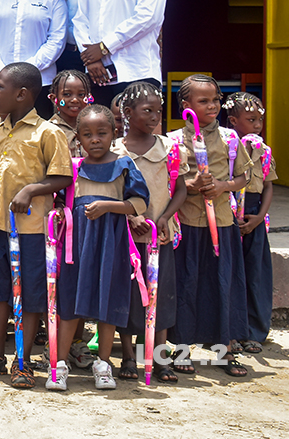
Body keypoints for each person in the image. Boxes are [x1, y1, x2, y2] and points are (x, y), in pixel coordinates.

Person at [0, 62, 71, 389]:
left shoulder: (47, 133)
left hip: (32, 229)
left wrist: (32, 189)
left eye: (0, 87)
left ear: (21, 94)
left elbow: (63, 175)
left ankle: (23, 361)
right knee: (0, 290)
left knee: (30, 294)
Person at [50, 105, 149, 391]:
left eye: (102, 133)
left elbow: (140, 203)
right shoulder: (73, 167)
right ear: (78, 138)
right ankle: (59, 365)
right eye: (87, 134)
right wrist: (59, 212)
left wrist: (109, 207)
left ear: (114, 133)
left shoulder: (124, 165)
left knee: (108, 300)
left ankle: (103, 364)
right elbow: (60, 200)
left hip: (112, 243)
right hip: (76, 245)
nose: (95, 139)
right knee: (70, 302)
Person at [168, 75, 251, 377]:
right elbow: (170, 182)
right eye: (203, 101)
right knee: (187, 285)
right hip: (188, 224)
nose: (212, 105)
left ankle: (224, 350)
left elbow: (244, 177)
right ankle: (180, 349)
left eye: (215, 99)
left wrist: (222, 185)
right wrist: (190, 185)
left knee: (222, 285)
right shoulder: (174, 141)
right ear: (186, 106)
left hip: (223, 224)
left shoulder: (230, 139)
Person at [111, 81, 186, 384]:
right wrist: (131, 219)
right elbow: (112, 193)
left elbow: (179, 189)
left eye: (159, 110)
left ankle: (159, 357)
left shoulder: (169, 148)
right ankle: (128, 355)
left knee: (161, 296)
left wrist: (166, 217)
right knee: (127, 297)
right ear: (128, 113)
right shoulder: (115, 150)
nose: (156, 116)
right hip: (126, 237)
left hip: (160, 235)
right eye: (148, 110)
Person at [224, 92, 276, 354]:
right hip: (229, 217)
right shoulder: (228, 150)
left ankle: (255, 331)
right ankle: (232, 330)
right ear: (233, 121)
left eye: (260, 120)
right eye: (251, 119)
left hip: (254, 218)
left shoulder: (264, 153)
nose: (257, 125)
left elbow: (267, 187)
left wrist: (257, 218)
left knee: (255, 275)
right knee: (232, 274)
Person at [47, 69, 93, 158]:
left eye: (81, 95)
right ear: (54, 98)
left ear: (88, 97)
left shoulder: (94, 126)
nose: (75, 100)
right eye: (67, 94)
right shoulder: (48, 130)